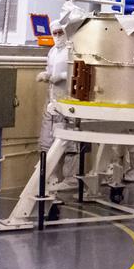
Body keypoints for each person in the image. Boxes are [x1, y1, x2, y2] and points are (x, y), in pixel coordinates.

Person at [35, 20, 76, 188]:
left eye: (60, 32)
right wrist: (46, 75)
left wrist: (62, 77)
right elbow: (50, 70)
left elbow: (77, 71)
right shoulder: (53, 51)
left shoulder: (72, 50)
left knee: (69, 141)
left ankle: (71, 178)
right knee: (46, 140)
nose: (58, 36)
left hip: (68, 100)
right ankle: (48, 176)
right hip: (52, 100)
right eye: (55, 33)